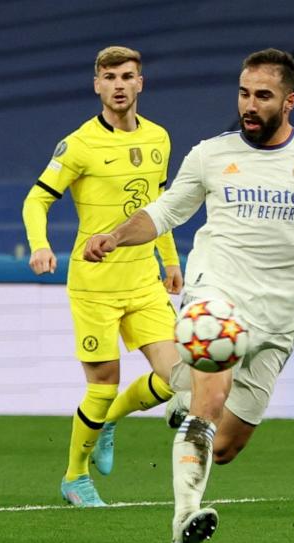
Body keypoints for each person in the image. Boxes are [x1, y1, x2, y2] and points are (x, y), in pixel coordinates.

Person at [83, 48, 294, 543]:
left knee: (224, 447)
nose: (250, 104)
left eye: (263, 96)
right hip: (216, 295)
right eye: (244, 93)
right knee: (210, 398)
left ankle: (180, 401)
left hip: (278, 319)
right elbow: (163, 214)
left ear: (288, 101)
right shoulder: (210, 154)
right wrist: (116, 236)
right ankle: (184, 520)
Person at [22, 46, 183, 507]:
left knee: (179, 380)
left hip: (144, 281)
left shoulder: (159, 139)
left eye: (126, 76)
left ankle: (111, 420)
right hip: (94, 285)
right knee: (103, 384)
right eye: (109, 76)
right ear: (97, 85)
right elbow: (36, 200)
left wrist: (170, 261)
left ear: (140, 83)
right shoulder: (79, 145)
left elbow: (160, 207)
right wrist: (39, 244)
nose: (118, 84)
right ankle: (75, 477)